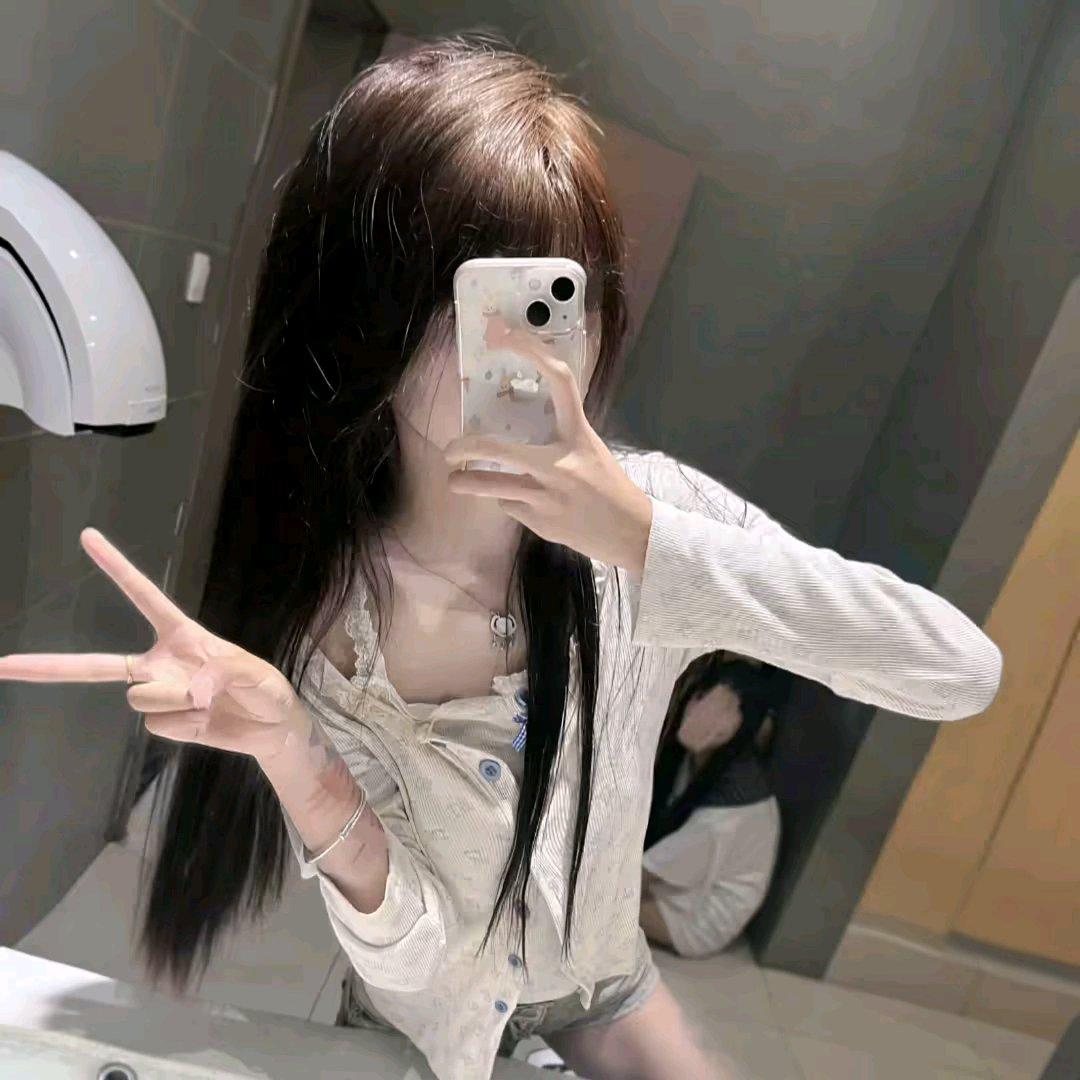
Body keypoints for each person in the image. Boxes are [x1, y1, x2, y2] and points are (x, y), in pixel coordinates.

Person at [0, 31, 1003, 1080]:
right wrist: (299, 758)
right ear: (370, 322)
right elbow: (427, 972)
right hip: (421, 1033)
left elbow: (957, 671)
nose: (523, 353)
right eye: (479, 305)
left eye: (553, 300)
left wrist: (646, 541)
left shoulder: (649, 522)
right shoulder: (329, 616)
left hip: (611, 993)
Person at [639, 655, 787, 958]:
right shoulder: (700, 763)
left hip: (700, 915)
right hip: (681, 883)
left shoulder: (730, 807)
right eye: (702, 699)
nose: (702, 716)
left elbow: (647, 873)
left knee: (596, 902)